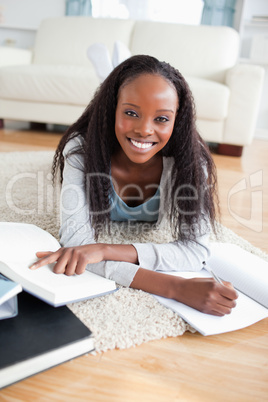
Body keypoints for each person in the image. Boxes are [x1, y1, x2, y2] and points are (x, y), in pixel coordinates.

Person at [30, 55, 238, 316]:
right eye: (131, 113)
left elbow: (195, 250)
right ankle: (110, 71)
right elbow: (77, 247)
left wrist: (105, 249)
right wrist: (175, 287)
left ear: (178, 120)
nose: (144, 129)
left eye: (161, 119)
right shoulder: (81, 151)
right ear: (112, 111)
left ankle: (114, 69)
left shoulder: (191, 164)